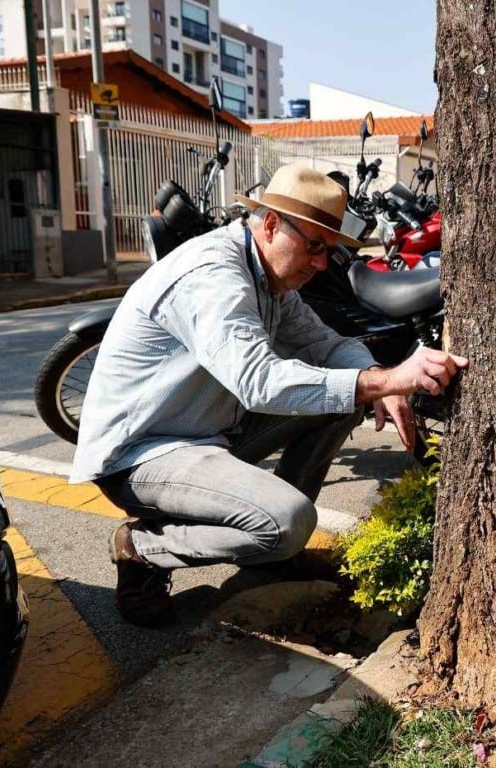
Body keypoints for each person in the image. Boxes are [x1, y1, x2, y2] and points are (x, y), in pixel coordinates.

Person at [69, 164, 467, 627]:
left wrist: (377, 374)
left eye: (329, 250)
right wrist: (389, 382)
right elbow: (258, 381)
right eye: (314, 246)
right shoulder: (215, 275)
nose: (321, 264)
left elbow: (325, 345)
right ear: (272, 224)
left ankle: (271, 556)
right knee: (287, 521)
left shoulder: (269, 278)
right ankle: (143, 549)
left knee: (341, 401)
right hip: (142, 454)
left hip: (207, 433)